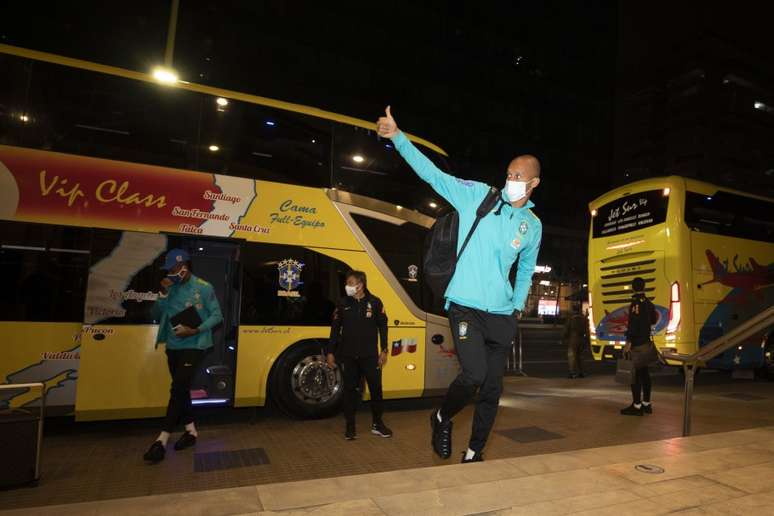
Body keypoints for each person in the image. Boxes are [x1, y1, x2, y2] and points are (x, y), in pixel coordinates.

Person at [376, 107, 542, 463]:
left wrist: (516, 305)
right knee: (474, 374)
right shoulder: (478, 196)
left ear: (533, 184)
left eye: (519, 175)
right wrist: (398, 139)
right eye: (509, 172)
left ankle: (474, 451)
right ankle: (440, 417)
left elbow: (526, 269)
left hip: (501, 314)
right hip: (465, 305)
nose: (511, 178)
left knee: (492, 389)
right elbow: (433, 175)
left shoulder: (532, 225)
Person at [143, 249, 223, 463]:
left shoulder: (204, 288)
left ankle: (161, 439)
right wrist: (162, 294)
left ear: (184, 266)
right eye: (169, 269)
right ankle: (191, 432)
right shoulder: (170, 289)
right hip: (173, 346)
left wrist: (196, 330)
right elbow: (155, 315)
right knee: (181, 389)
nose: (170, 271)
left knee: (177, 388)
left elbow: (217, 315)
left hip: (195, 345)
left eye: (173, 268)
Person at [326, 270, 393, 440]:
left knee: (376, 390)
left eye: (350, 283)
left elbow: (383, 327)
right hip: (348, 356)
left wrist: (384, 349)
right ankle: (350, 426)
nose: (346, 286)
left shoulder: (375, 302)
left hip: (370, 356)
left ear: (360, 285)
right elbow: (334, 330)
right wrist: (330, 352)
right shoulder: (342, 304)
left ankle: (377, 424)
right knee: (350, 391)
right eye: (347, 283)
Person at [620, 277, 659, 416]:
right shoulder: (649, 303)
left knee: (634, 375)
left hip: (637, 344)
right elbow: (654, 320)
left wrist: (628, 342)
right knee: (645, 374)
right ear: (644, 287)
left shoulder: (635, 303)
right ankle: (647, 404)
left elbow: (633, 324)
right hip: (646, 344)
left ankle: (636, 406)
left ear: (632, 288)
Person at [564, 302, 588, 379]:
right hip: (582, 338)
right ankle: (582, 372)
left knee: (572, 356)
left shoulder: (571, 318)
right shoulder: (583, 318)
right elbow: (587, 330)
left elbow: (566, 329)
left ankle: (572, 373)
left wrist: (564, 337)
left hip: (573, 338)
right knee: (580, 356)